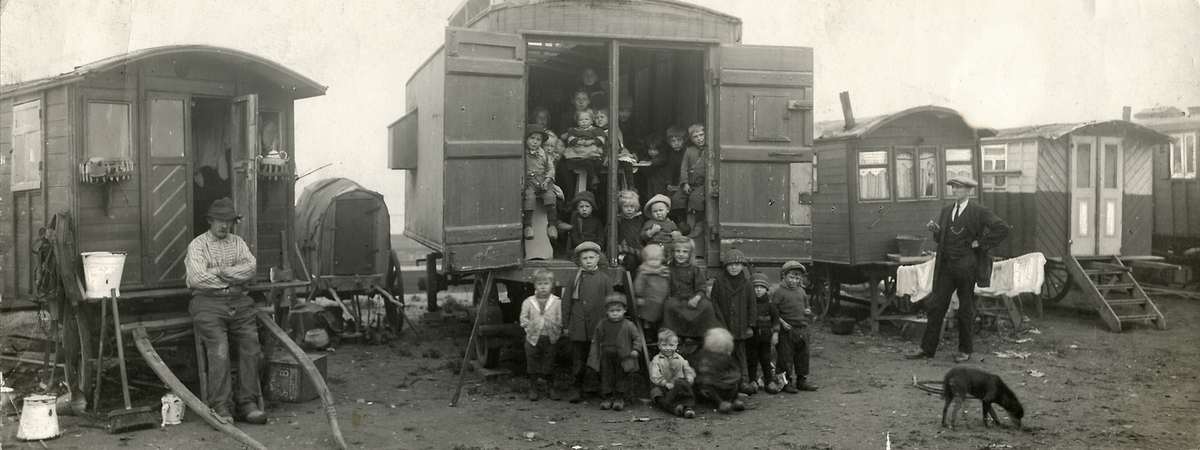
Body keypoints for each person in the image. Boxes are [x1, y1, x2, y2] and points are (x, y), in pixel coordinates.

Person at [907, 177, 1010, 363]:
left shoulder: (978, 211)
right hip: (946, 267)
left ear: (968, 191)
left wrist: (981, 243)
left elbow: (1002, 228)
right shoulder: (946, 211)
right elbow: (942, 239)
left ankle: (965, 350)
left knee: (965, 309)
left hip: (967, 267)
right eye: (953, 187)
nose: (954, 190)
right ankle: (927, 349)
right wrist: (936, 231)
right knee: (936, 306)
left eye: (958, 188)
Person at [184, 197, 266, 424]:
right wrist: (231, 280)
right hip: (207, 304)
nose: (224, 226)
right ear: (210, 221)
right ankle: (220, 406)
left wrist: (220, 272)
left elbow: (250, 268)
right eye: (219, 221)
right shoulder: (198, 245)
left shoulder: (238, 243)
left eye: (228, 221)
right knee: (219, 349)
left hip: (239, 303)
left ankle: (247, 402)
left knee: (251, 346)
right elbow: (197, 278)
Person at [562, 241, 615, 402]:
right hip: (578, 326)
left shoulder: (604, 279)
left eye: (592, 257)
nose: (589, 261)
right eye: (585, 258)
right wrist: (565, 324)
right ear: (579, 260)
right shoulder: (574, 279)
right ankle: (576, 387)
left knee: (597, 358)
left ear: (598, 258)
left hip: (597, 326)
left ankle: (597, 387)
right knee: (578, 359)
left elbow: (611, 303)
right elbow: (566, 303)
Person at [587, 293, 645, 411]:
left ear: (624, 310)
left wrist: (635, 349)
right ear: (607, 311)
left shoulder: (628, 325)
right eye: (612, 310)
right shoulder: (602, 324)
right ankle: (607, 398)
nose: (615, 313)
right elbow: (596, 339)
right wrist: (595, 354)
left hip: (623, 356)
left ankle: (619, 398)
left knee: (621, 376)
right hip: (606, 355)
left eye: (618, 310)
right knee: (606, 376)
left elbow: (637, 338)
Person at [659, 235, 715, 356]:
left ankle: (696, 336)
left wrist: (697, 297)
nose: (681, 254)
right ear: (673, 252)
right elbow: (667, 287)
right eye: (678, 251)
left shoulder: (695, 269)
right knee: (669, 306)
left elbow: (701, 287)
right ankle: (674, 336)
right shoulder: (670, 269)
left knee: (707, 306)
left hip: (692, 298)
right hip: (677, 300)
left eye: (685, 252)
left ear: (690, 254)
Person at [710, 249, 756, 394]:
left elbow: (752, 305)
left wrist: (751, 325)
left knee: (741, 354)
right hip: (725, 326)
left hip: (741, 327)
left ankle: (744, 381)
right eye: (730, 265)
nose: (734, 267)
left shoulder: (747, 284)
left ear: (743, 266)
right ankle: (727, 383)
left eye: (737, 264)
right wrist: (719, 324)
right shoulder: (719, 283)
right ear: (726, 266)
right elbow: (714, 303)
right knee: (725, 355)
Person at [772, 261, 818, 393]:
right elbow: (773, 311)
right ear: (784, 276)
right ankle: (786, 382)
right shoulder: (779, 292)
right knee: (785, 357)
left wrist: (808, 311)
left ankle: (801, 380)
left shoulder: (802, 292)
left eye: (797, 278)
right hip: (787, 330)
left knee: (803, 355)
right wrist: (781, 322)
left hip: (802, 329)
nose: (794, 280)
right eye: (791, 277)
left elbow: (806, 306)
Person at [519, 269, 563, 401]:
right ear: (535, 286)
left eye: (546, 283)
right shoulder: (529, 301)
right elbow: (523, 318)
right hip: (533, 339)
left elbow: (560, 319)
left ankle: (550, 387)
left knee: (549, 362)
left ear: (552, 285)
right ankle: (533, 387)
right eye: (540, 284)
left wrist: (556, 329)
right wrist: (529, 328)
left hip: (550, 338)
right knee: (532, 362)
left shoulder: (556, 302)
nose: (543, 287)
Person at [692, 328, 745, 413]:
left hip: (724, 383)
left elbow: (736, 370)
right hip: (711, 387)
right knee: (708, 386)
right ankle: (720, 402)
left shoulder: (728, 359)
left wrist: (734, 377)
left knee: (735, 384)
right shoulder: (704, 358)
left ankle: (733, 399)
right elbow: (702, 374)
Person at [523, 128, 561, 241]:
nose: (534, 142)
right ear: (526, 139)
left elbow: (550, 169)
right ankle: (528, 226)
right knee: (529, 197)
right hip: (530, 181)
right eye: (532, 138)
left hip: (543, 181)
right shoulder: (523, 153)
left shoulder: (544, 154)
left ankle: (552, 225)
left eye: (538, 139)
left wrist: (547, 180)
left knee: (550, 196)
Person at [648, 329, 697, 418]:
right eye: (664, 345)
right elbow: (654, 376)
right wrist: (665, 383)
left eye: (671, 345)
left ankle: (688, 408)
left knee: (683, 384)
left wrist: (689, 377)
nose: (668, 348)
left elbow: (687, 369)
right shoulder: (656, 360)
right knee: (657, 395)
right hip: (664, 387)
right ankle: (674, 408)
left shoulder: (680, 358)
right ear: (659, 346)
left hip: (677, 387)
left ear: (676, 346)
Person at [747, 273, 781, 394]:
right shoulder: (749, 305)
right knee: (752, 359)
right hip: (751, 338)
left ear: (766, 289)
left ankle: (769, 381)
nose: (758, 290)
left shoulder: (770, 306)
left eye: (761, 287)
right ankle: (752, 381)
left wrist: (776, 334)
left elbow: (776, 320)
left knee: (766, 360)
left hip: (766, 338)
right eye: (755, 287)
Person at [676, 124, 707, 236]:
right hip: (689, 184)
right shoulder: (689, 151)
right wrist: (684, 183)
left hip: (702, 185)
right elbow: (683, 168)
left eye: (701, 135)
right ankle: (682, 224)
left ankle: (699, 224)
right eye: (696, 136)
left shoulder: (709, 150)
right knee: (677, 198)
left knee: (695, 199)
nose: (699, 138)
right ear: (691, 139)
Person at [633, 244, 670, 336]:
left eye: (656, 260)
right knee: (649, 312)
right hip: (649, 298)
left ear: (661, 259)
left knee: (666, 309)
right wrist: (639, 296)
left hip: (663, 298)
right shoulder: (644, 272)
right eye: (650, 260)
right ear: (645, 260)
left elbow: (669, 283)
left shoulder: (664, 271)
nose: (653, 262)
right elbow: (638, 286)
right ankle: (647, 329)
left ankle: (660, 329)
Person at [615, 190, 645, 272]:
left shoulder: (639, 220)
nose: (629, 209)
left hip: (637, 247)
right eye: (626, 207)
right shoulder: (618, 220)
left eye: (632, 207)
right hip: (624, 249)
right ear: (621, 207)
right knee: (630, 262)